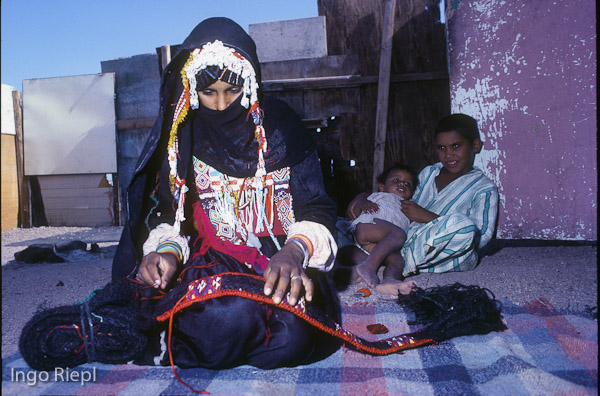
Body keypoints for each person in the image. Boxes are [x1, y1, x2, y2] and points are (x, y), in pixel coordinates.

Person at [111, 17, 340, 370]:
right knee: (226, 318)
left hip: (287, 261)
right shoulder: (184, 137)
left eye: (232, 91)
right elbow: (171, 214)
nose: (220, 105)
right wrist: (168, 253)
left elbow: (317, 205)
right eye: (208, 92)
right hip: (217, 259)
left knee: (294, 336)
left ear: (250, 84)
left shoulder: (282, 127)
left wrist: (294, 252)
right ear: (191, 91)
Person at [347, 114, 499, 277]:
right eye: (441, 148)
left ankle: (388, 262)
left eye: (455, 146)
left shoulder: (484, 188)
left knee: (465, 227)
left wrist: (427, 217)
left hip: (437, 245)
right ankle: (383, 261)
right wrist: (361, 198)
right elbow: (394, 196)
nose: (448, 155)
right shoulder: (428, 173)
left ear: (475, 145)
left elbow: (482, 236)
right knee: (339, 226)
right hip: (398, 237)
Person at [346, 164, 418, 295]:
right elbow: (352, 213)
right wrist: (362, 202)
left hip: (379, 246)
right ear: (382, 187)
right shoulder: (375, 196)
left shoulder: (410, 207)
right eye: (396, 181)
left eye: (407, 183)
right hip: (368, 227)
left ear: (412, 193)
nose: (402, 184)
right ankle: (369, 267)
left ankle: (389, 280)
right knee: (399, 234)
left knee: (398, 261)